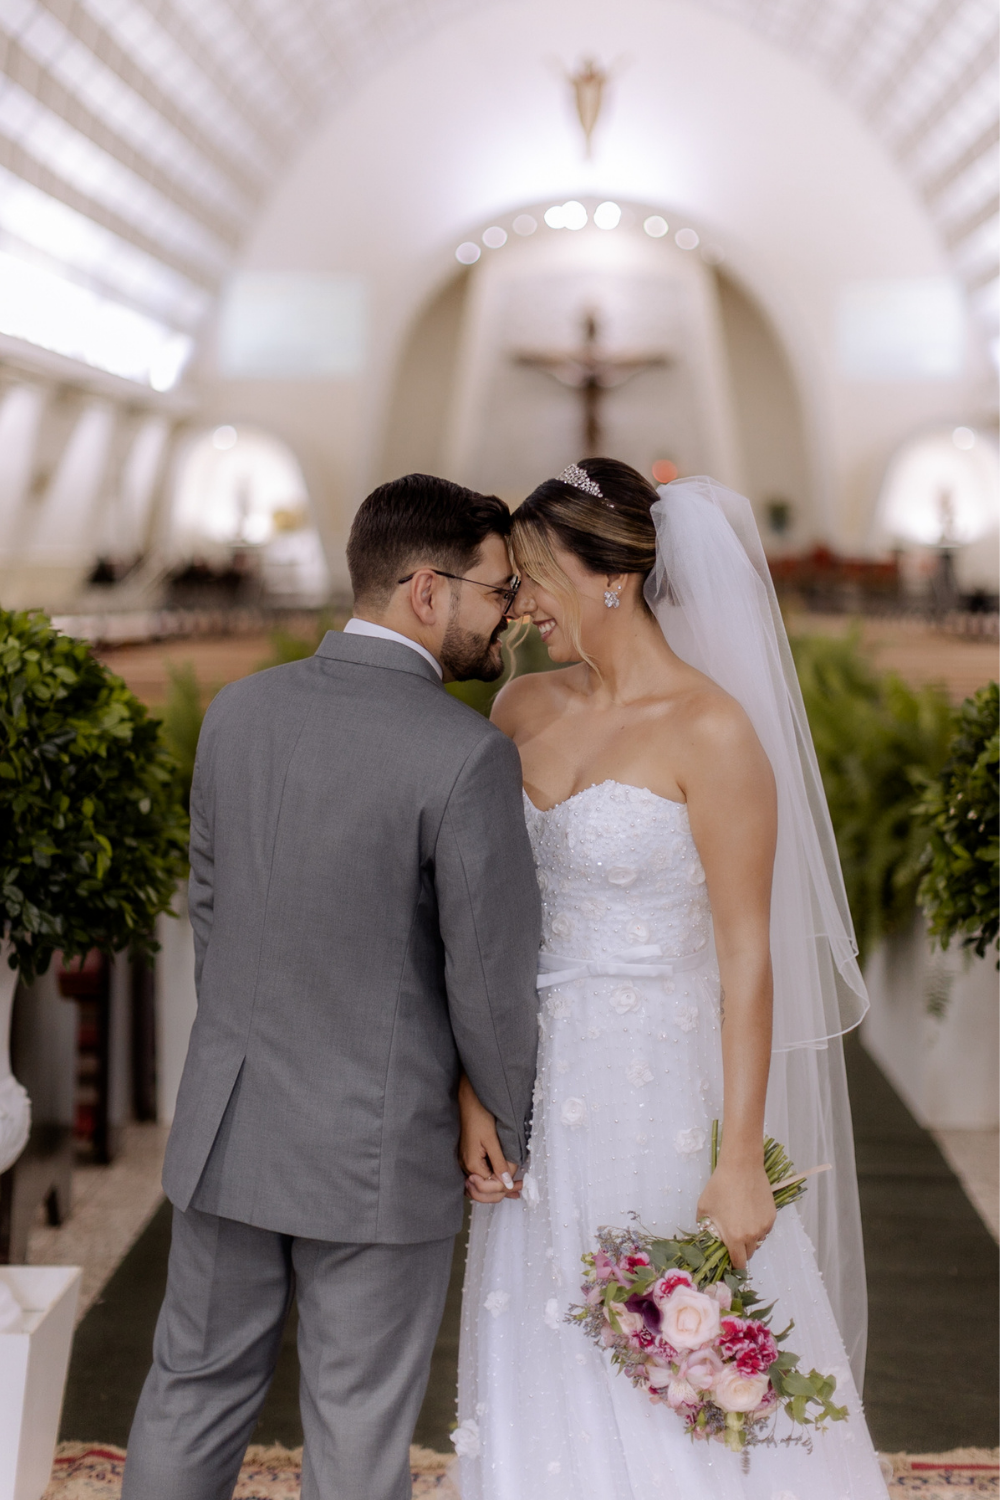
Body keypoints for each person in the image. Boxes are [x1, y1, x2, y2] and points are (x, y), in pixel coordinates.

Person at [456, 459, 890, 1498]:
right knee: (542, 1326)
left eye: (527, 576)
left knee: (671, 1347)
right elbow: (482, 922)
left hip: (657, 1081)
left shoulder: (713, 730)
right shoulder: (516, 708)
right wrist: (473, 1081)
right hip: (529, 1086)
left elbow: (747, 955)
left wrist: (739, 1154)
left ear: (603, 573)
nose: (517, 604)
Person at [123, 474, 541, 1500]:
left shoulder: (240, 711)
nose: (512, 620)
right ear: (428, 592)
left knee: (191, 1387)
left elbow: (213, 912)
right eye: (498, 592)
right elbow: (486, 975)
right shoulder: (465, 753)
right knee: (355, 1424)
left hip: (231, 1120)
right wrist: (508, 1117)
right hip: (376, 1142)